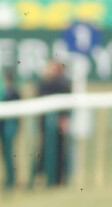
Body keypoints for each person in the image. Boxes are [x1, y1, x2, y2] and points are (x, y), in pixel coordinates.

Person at [31, 59, 71, 187]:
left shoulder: (62, 83)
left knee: (59, 151)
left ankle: (57, 180)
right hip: (46, 123)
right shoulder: (46, 82)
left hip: (57, 123)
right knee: (43, 151)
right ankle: (42, 178)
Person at [0, 67, 20, 190]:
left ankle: (11, 180)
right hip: (3, 129)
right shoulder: (4, 91)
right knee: (5, 155)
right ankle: (8, 179)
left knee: (9, 155)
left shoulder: (14, 92)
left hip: (9, 129)